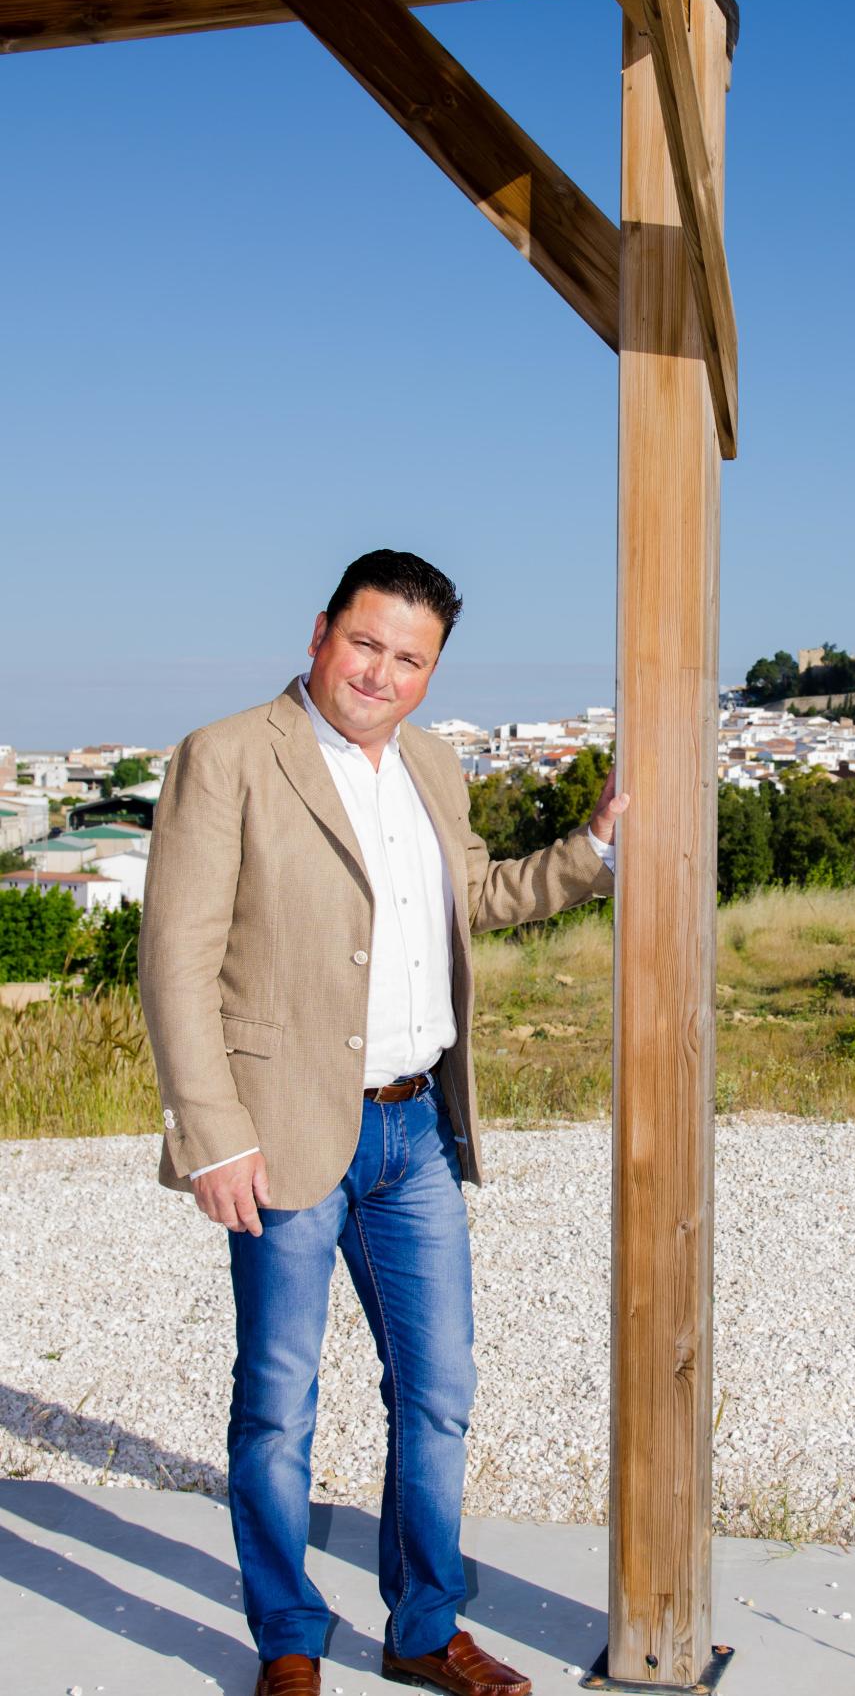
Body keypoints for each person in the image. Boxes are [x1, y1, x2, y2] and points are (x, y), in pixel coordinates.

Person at [138, 549, 627, 1696]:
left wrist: (594, 849)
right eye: (367, 643)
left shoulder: (433, 764)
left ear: (432, 672)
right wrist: (211, 1131)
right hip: (282, 1130)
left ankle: (421, 1625)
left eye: (411, 658)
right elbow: (175, 963)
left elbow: (478, 898)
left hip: (416, 1136)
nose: (383, 672)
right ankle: (289, 1642)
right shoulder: (227, 757)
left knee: (439, 1388)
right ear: (319, 633)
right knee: (275, 1400)